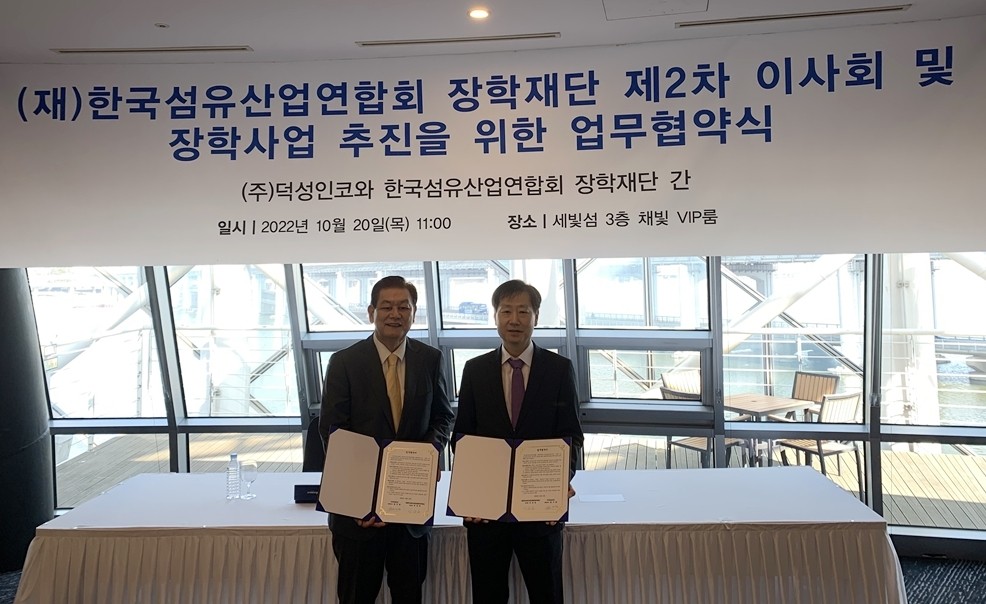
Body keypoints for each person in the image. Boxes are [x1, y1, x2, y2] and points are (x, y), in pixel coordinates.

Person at [319, 275, 454, 604]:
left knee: (409, 595)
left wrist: (431, 452)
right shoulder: (345, 362)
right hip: (357, 516)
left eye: (403, 307)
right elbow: (334, 432)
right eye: (386, 307)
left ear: (414, 313)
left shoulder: (430, 359)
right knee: (356, 596)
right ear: (371, 312)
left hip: (409, 510)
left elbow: (443, 417)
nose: (395, 314)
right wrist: (357, 501)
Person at [453, 279, 584, 604]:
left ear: (536, 316)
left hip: (540, 511)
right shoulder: (474, 370)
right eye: (506, 311)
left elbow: (571, 437)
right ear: (495, 316)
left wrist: (559, 483)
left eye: (523, 311)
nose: (514, 320)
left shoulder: (559, 369)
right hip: (485, 513)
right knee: (488, 596)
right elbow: (462, 438)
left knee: (546, 594)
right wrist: (470, 493)